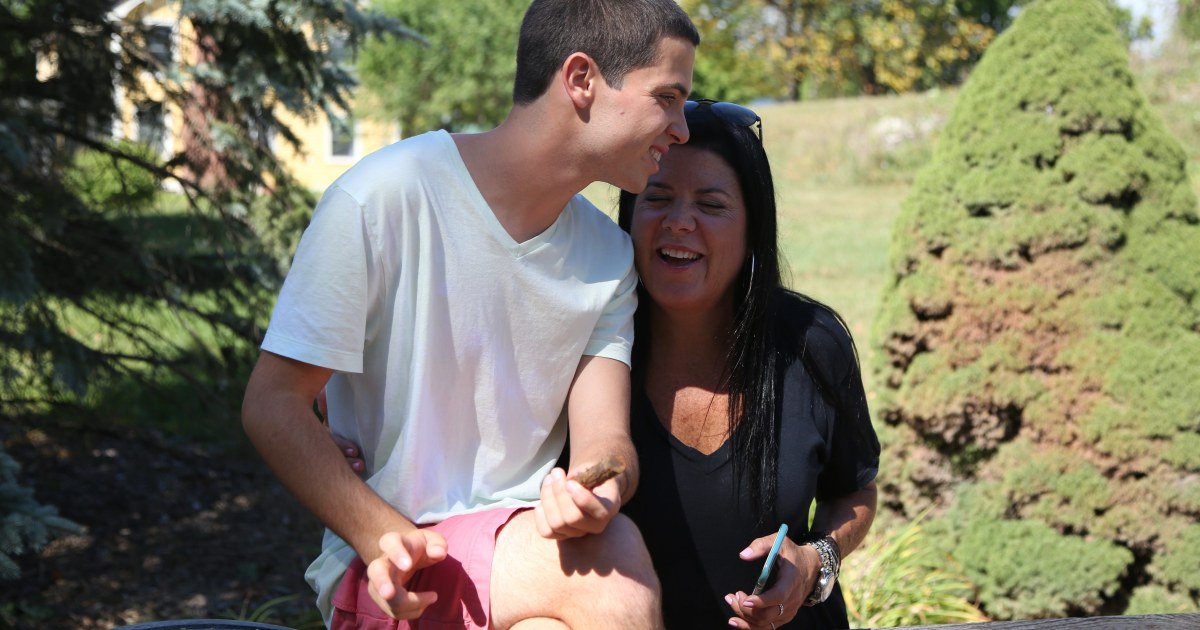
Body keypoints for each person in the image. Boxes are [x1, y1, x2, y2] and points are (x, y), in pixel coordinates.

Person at [240, 1, 700, 628]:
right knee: (612, 571)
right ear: (582, 80)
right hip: (394, 566)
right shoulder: (383, 198)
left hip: (522, 551)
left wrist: (601, 488)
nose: (682, 128)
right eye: (667, 98)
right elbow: (274, 404)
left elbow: (605, 441)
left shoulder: (608, 257)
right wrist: (381, 535)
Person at [614, 99, 881, 629]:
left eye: (710, 204)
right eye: (658, 197)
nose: (679, 222)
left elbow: (853, 490)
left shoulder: (812, 341)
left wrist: (816, 562)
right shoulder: (591, 349)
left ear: (752, 228)